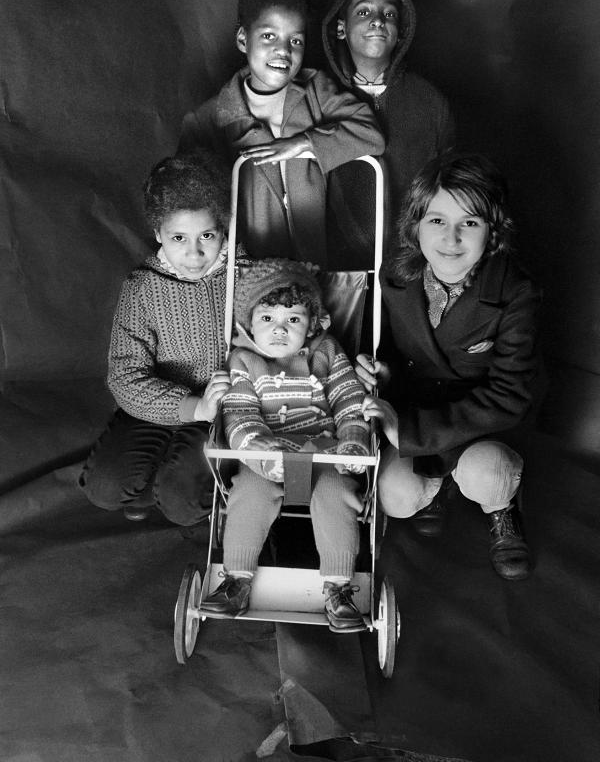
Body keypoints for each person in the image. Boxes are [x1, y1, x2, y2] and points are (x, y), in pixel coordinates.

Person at [359, 152, 540, 580]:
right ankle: (438, 487)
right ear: (416, 224)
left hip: (481, 424)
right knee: (396, 498)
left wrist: (408, 433)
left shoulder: (515, 292)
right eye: (437, 221)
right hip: (416, 408)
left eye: (470, 223)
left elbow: (510, 394)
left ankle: (502, 507)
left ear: (492, 231)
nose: (451, 238)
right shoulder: (394, 275)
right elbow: (388, 349)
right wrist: (380, 370)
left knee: (488, 475)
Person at [201, 258, 371, 632]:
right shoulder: (243, 360)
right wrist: (264, 455)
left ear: (311, 324)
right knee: (248, 492)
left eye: (293, 320)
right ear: (248, 323)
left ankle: (339, 588)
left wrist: (353, 441)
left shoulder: (326, 351)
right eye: (267, 320)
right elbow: (241, 417)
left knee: (337, 493)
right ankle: (236, 578)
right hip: (265, 457)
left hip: (324, 453)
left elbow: (348, 400)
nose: (279, 330)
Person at [79, 151, 248, 526]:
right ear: (158, 234)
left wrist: (211, 409)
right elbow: (124, 377)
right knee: (104, 488)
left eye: (207, 235)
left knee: (182, 504)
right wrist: (191, 407)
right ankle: (152, 481)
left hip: (219, 413)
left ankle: (184, 488)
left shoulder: (246, 276)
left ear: (225, 229)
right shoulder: (142, 287)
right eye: (178, 237)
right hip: (162, 407)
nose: (194, 253)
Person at [178, 0, 385, 267]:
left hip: (315, 268)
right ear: (242, 39)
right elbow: (191, 210)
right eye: (268, 36)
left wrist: (302, 144)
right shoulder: (206, 121)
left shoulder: (315, 89)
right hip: (248, 276)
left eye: (296, 40)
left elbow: (372, 135)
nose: (283, 50)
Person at [322, 0, 455, 267]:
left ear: (401, 32)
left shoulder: (430, 102)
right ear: (341, 28)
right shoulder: (316, 96)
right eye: (364, 11)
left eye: (389, 14)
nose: (378, 21)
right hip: (332, 266)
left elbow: (447, 191)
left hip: (409, 264)